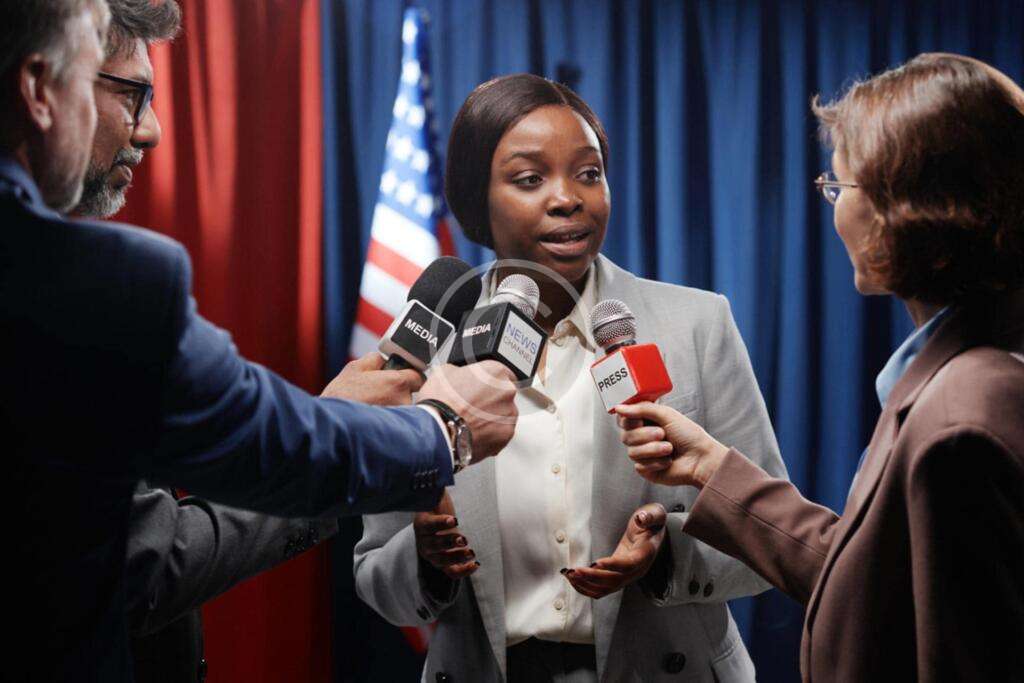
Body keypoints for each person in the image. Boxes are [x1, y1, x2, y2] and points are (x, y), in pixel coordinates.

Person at [0, 1, 517, 679]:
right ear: (40, 87)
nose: (151, 131)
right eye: (131, 95)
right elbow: (174, 535)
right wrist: (444, 432)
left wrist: (334, 415)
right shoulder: (96, 287)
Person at [355, 73, 788, 682]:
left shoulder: (697, 323)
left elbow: (770, 536)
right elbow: (376, 574)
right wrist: (425, 559)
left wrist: (665, 555)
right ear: (477, 199)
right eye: (530, 179)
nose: (568, 198)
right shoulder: (422, 353)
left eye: (588, 173)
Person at [618, 53, 1024, 682]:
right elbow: (868, 588)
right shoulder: (958, 380)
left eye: (840, 187)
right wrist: (708, 467)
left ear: (912, 209)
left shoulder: (963, 418)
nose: (833, 208)